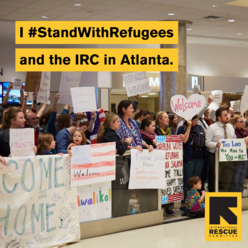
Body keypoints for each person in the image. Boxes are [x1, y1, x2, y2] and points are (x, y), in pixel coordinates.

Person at [177, 115, 205, 212]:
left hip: (200, 158)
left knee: (197, 183)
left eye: (197, 120)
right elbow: (184, 140)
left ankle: (195, 203)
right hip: (189, 158)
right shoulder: (182, 128)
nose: (196, 122)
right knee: (188, 182)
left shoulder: (200, 128)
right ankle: (184, 204)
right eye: (194, 121)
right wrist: (189, 127)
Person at [205, 107, 237, 192]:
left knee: (227, 178)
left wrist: (242, 141)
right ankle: (213, 199)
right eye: (225, 115)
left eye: (228, 114)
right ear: (219, 117)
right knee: (215, 178)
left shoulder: (230, 127)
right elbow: (207, 142)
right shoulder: (212, 128)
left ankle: (224, 197)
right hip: (215, 156)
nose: (228, 117)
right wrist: (216, 144)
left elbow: (234, 139)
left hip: (228, 156)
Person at [155, 111, 174, 216]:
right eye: (165, 117)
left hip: (170, 161)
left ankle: (169, 207)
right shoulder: (156, 130)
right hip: (159, 160)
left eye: (168, 117)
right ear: (160, 120)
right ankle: (159, 204)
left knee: (170, 183)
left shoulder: (170, 130)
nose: (168, 119)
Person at [229, 115, 248, 193]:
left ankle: (239, 198)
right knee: (235, 179)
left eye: (242, 121)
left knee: (242, 179)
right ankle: (234, 198)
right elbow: (235, 141)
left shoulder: (244, 131)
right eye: (240, 121)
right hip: (236, 156)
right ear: (234, 123)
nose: (242, 123)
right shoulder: (233, 131)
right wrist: (244, 140)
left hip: (245, 155)